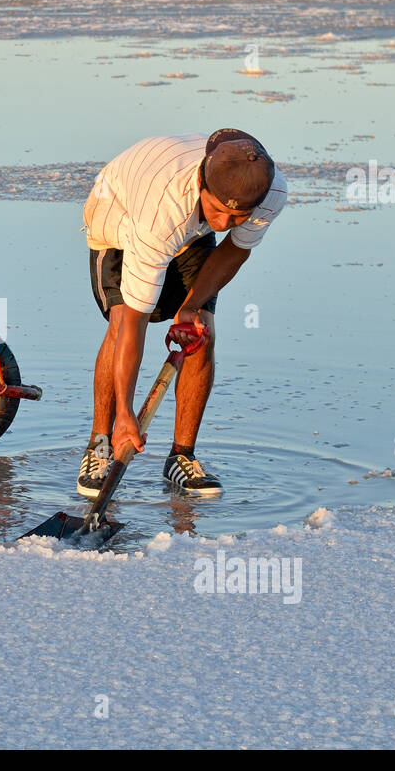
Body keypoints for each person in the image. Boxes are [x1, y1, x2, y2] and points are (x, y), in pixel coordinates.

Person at [78, 128, 288, 498]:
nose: (223, 224)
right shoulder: (163, 209)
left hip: (188, 232)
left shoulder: (269, 192)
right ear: (201, 183)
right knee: (121, 317)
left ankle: (181, 456)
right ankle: (100, 443)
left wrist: (191, 308)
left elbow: (235, 248)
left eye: (238, 216)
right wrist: (127, 413)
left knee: (200, 332)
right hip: (119, 217)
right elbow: (134, 320)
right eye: (219, 211)